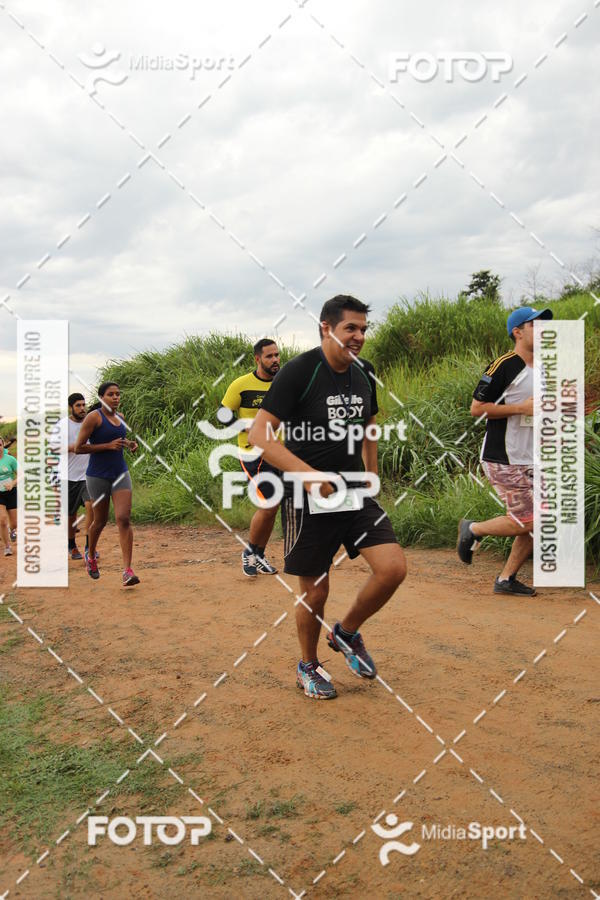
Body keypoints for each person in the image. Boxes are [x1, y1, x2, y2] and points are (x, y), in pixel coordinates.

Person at [249, 295, 407, 700]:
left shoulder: (364, 372)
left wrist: (371, 475)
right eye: (350, 328)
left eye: (363, 329)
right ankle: (308, 664)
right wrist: (309, 475)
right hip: (309, 496)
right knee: (316, 590)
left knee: (392, 569)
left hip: (354, 489)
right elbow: (259, 436)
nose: (358, 337)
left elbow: (369, 424)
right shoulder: (300, 372)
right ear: (326, 328)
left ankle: (346, 631)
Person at [457, 305, 553, 595]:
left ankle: (506, 580)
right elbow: (477, 408)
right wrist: (520, 408)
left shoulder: (547, 365)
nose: (543, 330)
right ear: (518, 331)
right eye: (536, 325)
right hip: (504, 456)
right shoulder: (504, 365)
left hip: (533, 456)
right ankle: (474, 529)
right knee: (532, 519)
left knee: (540, 518)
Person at [220, 339, 281, 577]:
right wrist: (246, 429)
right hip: (253, 453)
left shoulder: (283, 383)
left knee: (273, 508)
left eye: (277, 355)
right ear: (257, 359)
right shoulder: (242, 384)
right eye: (269, 356)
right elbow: (222, 413)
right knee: (268, 503)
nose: (275, 360)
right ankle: (249, 552)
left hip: (281, 453)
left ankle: (259, 554)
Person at [74, 381, 140, 586]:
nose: (116, 397)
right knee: (100, 521)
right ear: (102, 397)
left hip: (120, 473)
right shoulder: (94, 418)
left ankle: (127, 571)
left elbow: (117, 442)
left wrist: (128, 444)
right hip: (97, 475)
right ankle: (91, 556)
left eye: (118, 394)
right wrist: (106, 446)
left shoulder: (121, 418)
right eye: (111, 394)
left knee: (123, 519)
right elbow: (78, 448)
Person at [63, 393, 94, 560]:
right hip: (68, 477)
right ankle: (71, 545)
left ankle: (90, 547)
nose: (82, 408)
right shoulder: (62, 426)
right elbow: (53, 449)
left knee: (92, 507)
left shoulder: (91, 422)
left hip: (89, 475)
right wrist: (77, 446)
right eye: (78, 406)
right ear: (71, 407)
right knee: (71, 515)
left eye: (84, 405)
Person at [0, 435, 18, 556]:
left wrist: (12, 483)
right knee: (2, 520)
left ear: (2, 445)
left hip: (11, 492)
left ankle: (12, 531)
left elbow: (21, 475)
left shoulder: (10, 459)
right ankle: (7, 547)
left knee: (14, 523)